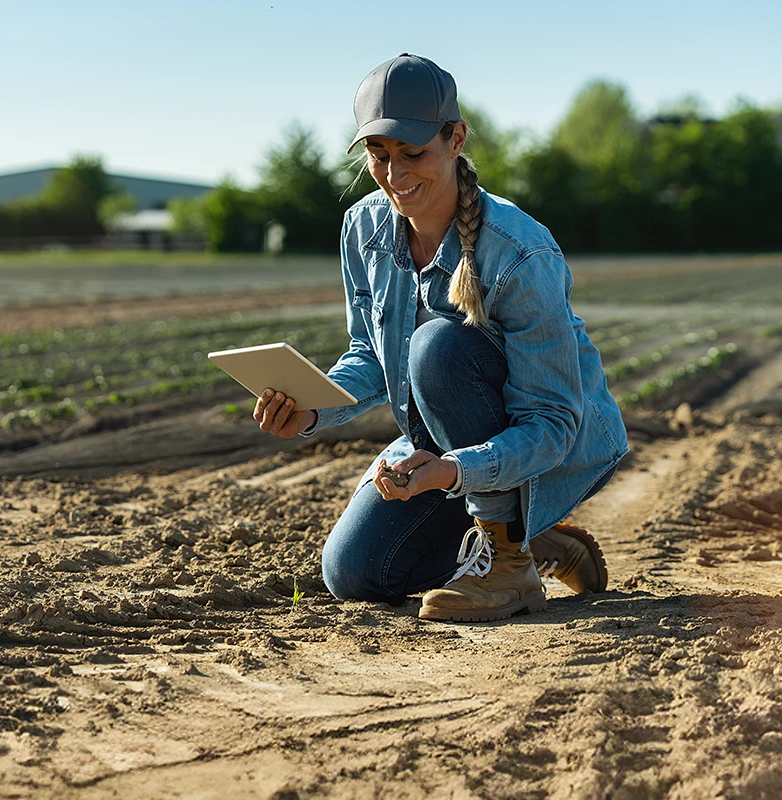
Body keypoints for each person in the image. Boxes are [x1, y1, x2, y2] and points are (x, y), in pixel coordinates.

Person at [251, 53, 628, 622]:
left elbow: (553, 422)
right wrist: (310, 409)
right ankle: (535, 540)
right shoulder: (363, 227)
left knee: (437, 346)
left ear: (456, 138)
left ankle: (508, 561)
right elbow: (371, 357)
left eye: (413, 153)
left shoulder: (520, 253)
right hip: (443, 441)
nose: (395, 176)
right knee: (353, 573)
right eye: (379, 156)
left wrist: (452, 470)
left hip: (552, 446)